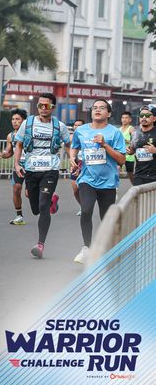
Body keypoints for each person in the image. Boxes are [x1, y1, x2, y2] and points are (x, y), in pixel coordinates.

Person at [13, 93, 71, 259]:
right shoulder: (28, 123)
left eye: (47, 106)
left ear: (53, 107)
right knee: (36, 209)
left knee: (43, 205)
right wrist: (17, 164)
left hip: (50, 169)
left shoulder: (59, 126)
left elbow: (68, 144)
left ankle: (40, 244)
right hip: (31, 170)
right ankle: (52, 200)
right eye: (40, 105)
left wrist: (72, 159)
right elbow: (19, 144)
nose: (43, 109)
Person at [69, 100, 125, 264]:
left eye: (102, 108)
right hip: (87, 179)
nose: (97, 110)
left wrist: (105, 145)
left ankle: (108, 248)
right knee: (86, 210)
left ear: (108, 113)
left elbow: (121, 159)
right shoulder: (81, 130)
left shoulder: (115, 133)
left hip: (108, 182)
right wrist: (72, 157)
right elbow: (74, 146)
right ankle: (86, 248)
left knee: (106, 218)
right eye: (94, 108)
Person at [0, 108, 28, 225]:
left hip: (31, 167)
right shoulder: (10, 136)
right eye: (13, 119)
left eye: (17, 119)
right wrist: (1, 154)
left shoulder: (29, 134)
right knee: (16, 188)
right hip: (18, 166)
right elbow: (9, 152)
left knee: (29, 194)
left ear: (24, 121)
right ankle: (19, 216)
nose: (14, 121)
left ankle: (49, 200)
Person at [129, 105, 156, 186]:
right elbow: (132, 150)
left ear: (154, 118)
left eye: (147, 115)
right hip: (139, 176)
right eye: (141, 115)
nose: (144, 117)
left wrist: (155, 150)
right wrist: (130, 151)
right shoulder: (135, 134)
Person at [70, 119, 85, 216]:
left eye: (79, 125)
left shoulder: (87, 136)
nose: (77, 127)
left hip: (86, 165)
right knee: (75, 189)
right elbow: (68, 149)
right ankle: (82, 206)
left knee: (84, 188)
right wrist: (72, 160)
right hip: (75, 165)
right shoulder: (71, 137)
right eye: (75, 125)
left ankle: (86, 207)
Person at [119, 111, 136, 184]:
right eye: (123, 118)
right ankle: (114, 188)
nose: (124, 119)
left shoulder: (131, 128)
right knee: (116, 170)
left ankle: (135, 186)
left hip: (129, 155)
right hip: (120, 154)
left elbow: (135, 141)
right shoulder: (119, 129)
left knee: (130, 174)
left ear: (130, 120)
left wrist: (126, 141)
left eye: (126, 118)